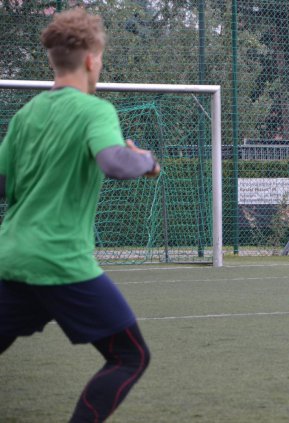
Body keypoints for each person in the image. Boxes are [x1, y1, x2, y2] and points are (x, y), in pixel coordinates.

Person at [0, 8, 160, 422]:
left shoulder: (25, 115)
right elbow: (116, 164)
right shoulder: (95, 111)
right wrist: (147, 160)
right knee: (131, 356)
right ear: (91, 59)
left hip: (12, 259)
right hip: (61, 261)